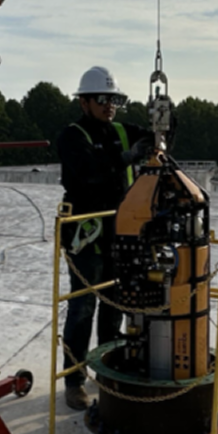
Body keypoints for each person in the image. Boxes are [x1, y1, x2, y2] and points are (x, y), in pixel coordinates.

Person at [57, 66, 153, 411]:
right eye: (102, 99)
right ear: (84, 102)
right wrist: (125, 157)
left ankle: (107, 370)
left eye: (114, 99)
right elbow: (88, 173)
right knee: (82, 310)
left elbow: (159, 137)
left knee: (114, 308)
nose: (109, 105)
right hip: (87, 237)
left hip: (120, 235)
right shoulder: (73, 135)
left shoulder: (120, 131)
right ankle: (73, 381)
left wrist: (164, 118)